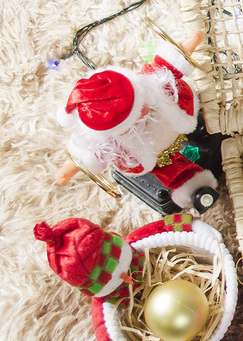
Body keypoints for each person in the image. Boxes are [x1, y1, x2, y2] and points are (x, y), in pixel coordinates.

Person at [54, 30, 219, 213]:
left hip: (174, 117)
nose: (143, 110)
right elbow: (87, 154)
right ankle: (193, 187)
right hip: (158, 153)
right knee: (172, 171)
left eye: (140, 104)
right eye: (136, 114)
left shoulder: (152, 84)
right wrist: (68, 171)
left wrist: (190, 43)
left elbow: (166, 65)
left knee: (199, 107)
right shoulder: (114, 145)